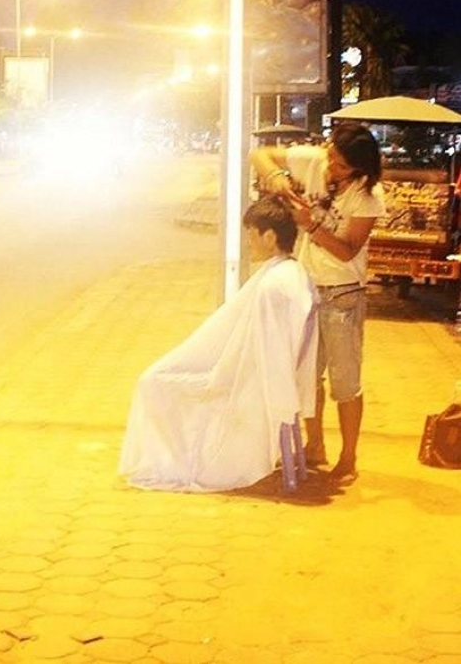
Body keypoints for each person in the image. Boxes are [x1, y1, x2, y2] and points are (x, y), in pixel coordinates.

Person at [119, 196, 319, 493]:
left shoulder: (273, 285)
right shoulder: (292, 273)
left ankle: (170, 461)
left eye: (251, 236)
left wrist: (221, 375)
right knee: (157, 378)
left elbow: (261, 353)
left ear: (269, 236)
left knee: (152, 382)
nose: (249, 244)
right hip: (263, 374)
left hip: (250, 379)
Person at [250, 121, 386, 483]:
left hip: (343, 293)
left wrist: (310, 225)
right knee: (308, 377)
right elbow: (259, 154)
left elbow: (347, 251)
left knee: (345, 383)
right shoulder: (314, 162)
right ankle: (315, 446)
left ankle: (348, 457)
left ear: (359, 168)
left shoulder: (368, 195)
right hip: (307, 289)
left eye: (344, 167)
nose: (334, 170)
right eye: (333, 159)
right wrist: (278, 176)